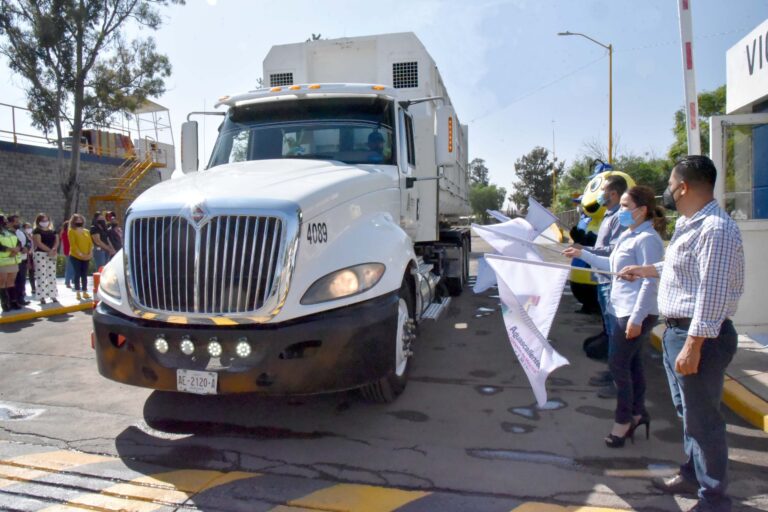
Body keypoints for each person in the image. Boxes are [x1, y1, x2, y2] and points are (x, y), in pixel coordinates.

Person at [620, 155, 744, 512]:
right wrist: (645, 270)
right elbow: (681, 267)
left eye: (671, 184)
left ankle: (714, 500)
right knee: (689, 415)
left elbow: (712, 293)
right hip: (680, 331)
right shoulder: (692, 224)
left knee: (704, 422)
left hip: (699, 336)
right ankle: (692, 475)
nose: (668, 191)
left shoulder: (715, 229)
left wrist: (693, 345)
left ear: (684, 187)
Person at [564, 186, 665, 448]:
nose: (620, 211)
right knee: (632, 365)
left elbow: (650, 281)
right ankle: (638, 413)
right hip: (620, 308)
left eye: (625, 206)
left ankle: (623, 422)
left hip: (633, 312)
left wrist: (636, 319)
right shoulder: (628, 234)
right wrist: (582, 254)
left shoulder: (648, 239)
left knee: (618, 366)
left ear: (642, 210)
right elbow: (611, 266)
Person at [583, 174, 629, 398]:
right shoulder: (609, 215)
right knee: (610, 332)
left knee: (616, 333)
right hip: (603, 280)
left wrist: (586, 251)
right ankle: (612, 373)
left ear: (613, 194)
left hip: (611, 283)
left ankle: (618, 380)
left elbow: (614, 251)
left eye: (603, 191)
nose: (600, 196)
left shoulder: (620, 217)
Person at [32, 213, 59, 304]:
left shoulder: (53, 231)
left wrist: (54, 249)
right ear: (38, 221)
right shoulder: (37, 231)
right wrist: (49, 250)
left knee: (52, 275)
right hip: (40, 254)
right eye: (42, 221)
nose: (45, 222)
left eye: (46, 220)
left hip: (52, 254)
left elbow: (56, 241)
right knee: (41, 275)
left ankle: (53, 295)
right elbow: (38, 243)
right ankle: (41, 296)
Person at [68, 213, 93, 300]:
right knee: (77, 273)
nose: (79, 221)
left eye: (80, 219)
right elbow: (73, 245)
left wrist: (90, 253)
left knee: (84, 274)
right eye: (77, 220)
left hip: (86, 256)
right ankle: (78, 292)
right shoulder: (71, 231)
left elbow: (90, 243)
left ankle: (85, 291)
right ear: (73, 221)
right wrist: (80, 254)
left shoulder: (86, 231)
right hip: (76, 256)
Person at [0, 214, 22, 311]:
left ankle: (13, 301)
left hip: (13, 260)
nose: (6, 222)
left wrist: (17, 249)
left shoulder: (10, 232)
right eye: (4, 220)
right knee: (2, 282)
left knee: (11, 282)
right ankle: (4, 303)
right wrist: (10, 249)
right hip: (2, 261)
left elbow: (19, 242)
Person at [9, 215, 31, 306]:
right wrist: (21, 249)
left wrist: (27, 247)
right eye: (16, 222)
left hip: (23, 259)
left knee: (22, 280)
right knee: (13, 282)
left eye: (18, 221)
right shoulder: (8, 233)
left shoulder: (21, 232)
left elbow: (28, 242)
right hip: (13, 260)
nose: (18, 223)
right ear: (10, 223)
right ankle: (13, 300)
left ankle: (21, 298)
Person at [60, 221, 74, 288]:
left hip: (67, 251)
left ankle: (71, 280)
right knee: (70, 267)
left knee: (71, 266)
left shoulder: (63, 233)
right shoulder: (68, 233)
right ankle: (68, 281)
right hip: (70, 251)